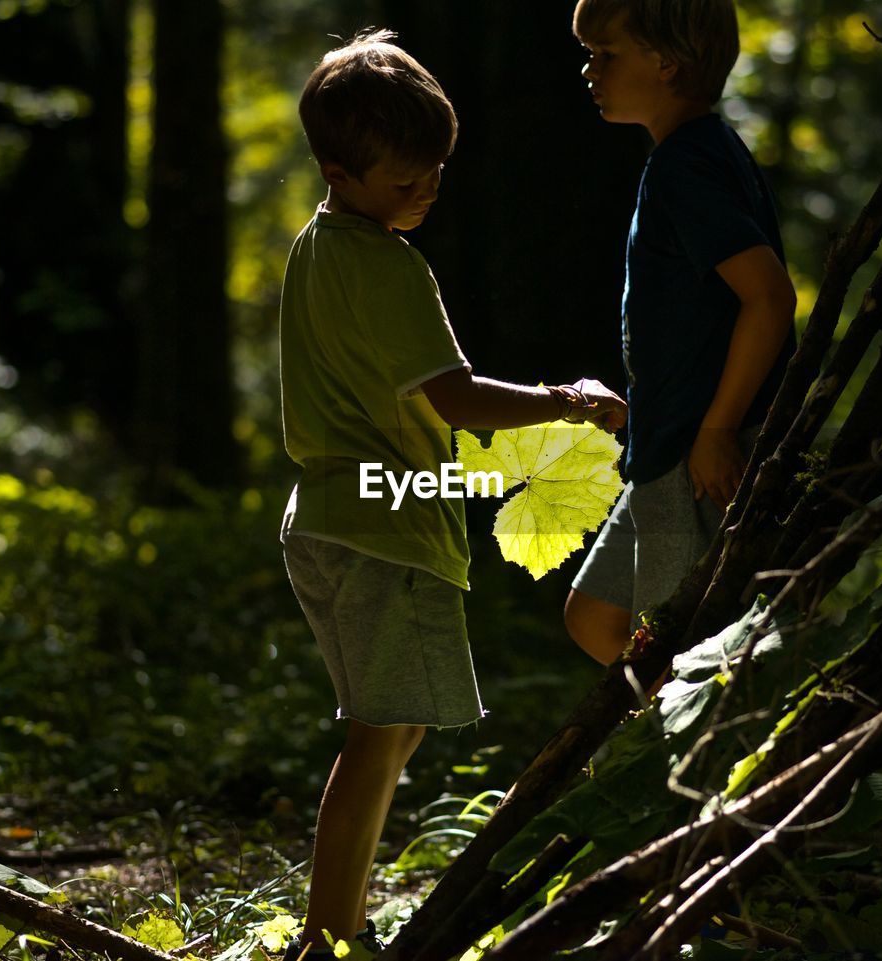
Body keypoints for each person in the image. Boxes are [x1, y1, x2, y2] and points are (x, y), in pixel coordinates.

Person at [277, 30, 625, 960]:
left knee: (393, 728)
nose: (425, 193)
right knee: (381, 732)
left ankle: (336, 927)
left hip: (329, 517)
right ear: (339, 171)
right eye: (403, 182)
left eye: (434, 172)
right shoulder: (384, 266)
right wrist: (572, 403)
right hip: (383, 529)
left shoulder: (316, 248)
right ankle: (327, 939)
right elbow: (457, 397)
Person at [563, 0, 798, 666]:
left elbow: (769, 298)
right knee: (595, 618)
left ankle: (692, 766)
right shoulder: (695, 154)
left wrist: (719, 430)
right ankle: (664, 741)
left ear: (666, 64)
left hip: (698, 463)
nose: (589, 69)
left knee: (686, 656)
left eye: (606, 55)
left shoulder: (687, 168)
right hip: (666, 451)